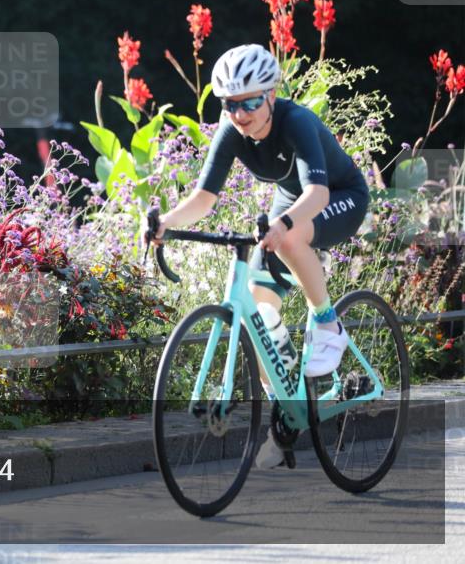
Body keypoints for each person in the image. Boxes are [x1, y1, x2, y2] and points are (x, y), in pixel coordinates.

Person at [144, 43, 369, 469]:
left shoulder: (296, 121)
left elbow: (317, 193)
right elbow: (204, 198)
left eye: (249, 102)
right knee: (258, 318)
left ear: (271, 94)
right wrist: (166, 223)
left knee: (286, 239)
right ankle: (289, 406)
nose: (239, 113)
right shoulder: (231, 130)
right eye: (229, 103)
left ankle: (328, 324)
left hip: (339, 197)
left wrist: (284, 225)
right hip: (290, 209)